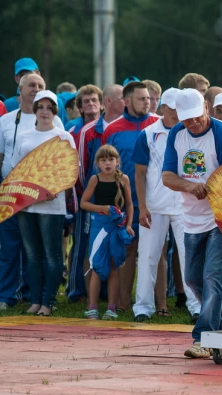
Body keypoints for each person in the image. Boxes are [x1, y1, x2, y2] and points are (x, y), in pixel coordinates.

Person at [162, 88, 222, 358]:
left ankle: (204, 337)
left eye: (196, 117)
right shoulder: (176, 134)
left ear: (206, 107)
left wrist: (213, 185)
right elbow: (167, 177)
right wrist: (190, 186)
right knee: (192, 278)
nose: (193, 123)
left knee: (212, 275)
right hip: (192, 218)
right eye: (186, 119)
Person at [0, 73, 64, 310]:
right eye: (31, 85)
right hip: (13, 189)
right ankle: (5, 296)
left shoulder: (58, 125)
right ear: (20, 89)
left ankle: (38, 296)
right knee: (9, 245)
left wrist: (54, 189)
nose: (36, 88)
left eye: (41, 85)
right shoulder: (6, 121)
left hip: (47, 197)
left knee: (42, 250)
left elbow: (65, 164)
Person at [132, 87, 201, 321]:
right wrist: (142, 207)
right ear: (162, 108)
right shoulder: (148, 134)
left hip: (184, 206)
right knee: (148, 257)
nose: (176, 113)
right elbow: (139, 173)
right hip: (155, 206)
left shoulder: (190, 132)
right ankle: (142, 307)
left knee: (188, 257)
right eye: (172, 109)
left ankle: (196, 306)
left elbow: (195, 170)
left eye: (179, 109)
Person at [11, 90, 76, 316]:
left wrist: (55, 189)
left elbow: (70, 172)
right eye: (41, 107)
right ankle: (35, 301)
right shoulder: (24, 137)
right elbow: (16, 171)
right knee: (32, 254)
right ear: (35, 109)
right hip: (26, 205)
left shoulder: (64, 137)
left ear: (55, 111)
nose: (45, 111)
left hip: (52, 205)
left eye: (49, 108)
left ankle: (48, 302)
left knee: (52, 254)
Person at [101, 81, 158, 311]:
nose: (148, 102)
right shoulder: (112, 129)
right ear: (127, 101)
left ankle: (155, 303)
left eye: (149, 98)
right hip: (123, 202)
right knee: (126, 250)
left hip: (153, 201)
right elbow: (104, 166)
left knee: (155, 253)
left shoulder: (157, 124)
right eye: (142, 99)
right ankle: (124, 302)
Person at [67, 84, 125, 303]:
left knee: (110, 246)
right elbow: (80, 169)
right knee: (84, 245)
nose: (125, 102)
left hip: (115, 201)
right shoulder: (87, 131)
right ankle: (77, 291)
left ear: (102, 102)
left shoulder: (122, 126)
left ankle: (104, 294)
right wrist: (85, 198)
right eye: (121, 98)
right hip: (90, 201)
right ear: (109, 101)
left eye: (94, 100)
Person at [81, 145, 135, 320]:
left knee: (113, 267)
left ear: (117, 161)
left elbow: (129, 205)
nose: (108, 163)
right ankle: (92, 306)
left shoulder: (123, 179)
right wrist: (102, 208)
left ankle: (112, 307)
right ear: (98, 163)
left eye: (111, 160)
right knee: (96, 266)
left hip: (117, 226)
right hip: (100, 227)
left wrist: (128, 225)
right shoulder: (95, 179)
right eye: (103, 160)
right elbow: (84, 203)